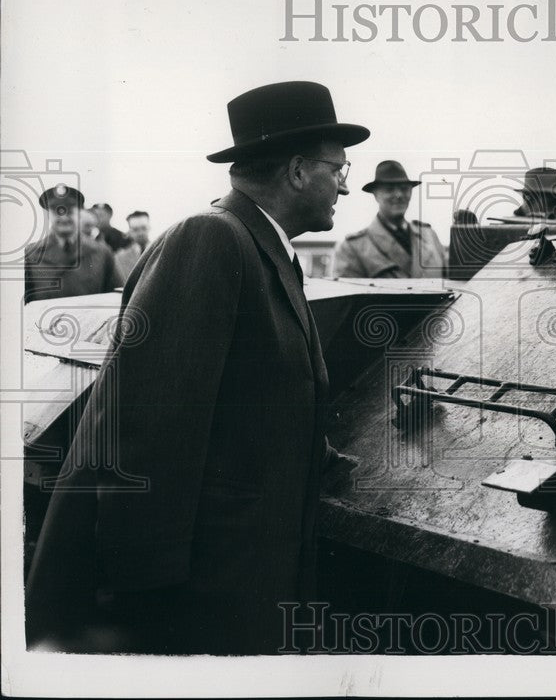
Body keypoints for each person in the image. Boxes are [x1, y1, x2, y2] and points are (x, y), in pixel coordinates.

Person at [26, 81, 369, 654]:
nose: (346, 183)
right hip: (198, 600)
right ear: (297, 170)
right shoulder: (211, 239)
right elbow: (147, 427)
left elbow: (253, 401)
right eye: (339, 168)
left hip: (238, 587)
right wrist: (145, 599)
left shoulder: (264, 250)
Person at [332, 160, 447, 278]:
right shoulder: (353, 248)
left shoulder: (429, 236)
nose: (398, 195)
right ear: (376, 195)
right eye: (389, 189)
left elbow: (451, 282)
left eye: (404, 189)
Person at [24, 185, 120, 302]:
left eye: (69, 210)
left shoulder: (102, 252)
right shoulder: (31, 254)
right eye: (57, 211)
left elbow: (117, 297)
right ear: (48, 214)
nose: (63, 217)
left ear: (79, 213)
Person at [114, 210, 151, 280]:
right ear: (129, 231)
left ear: (149, 228)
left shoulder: (161, 252)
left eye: (143, 228)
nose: (140, 233)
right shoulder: (120, 257)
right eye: (135, 229)